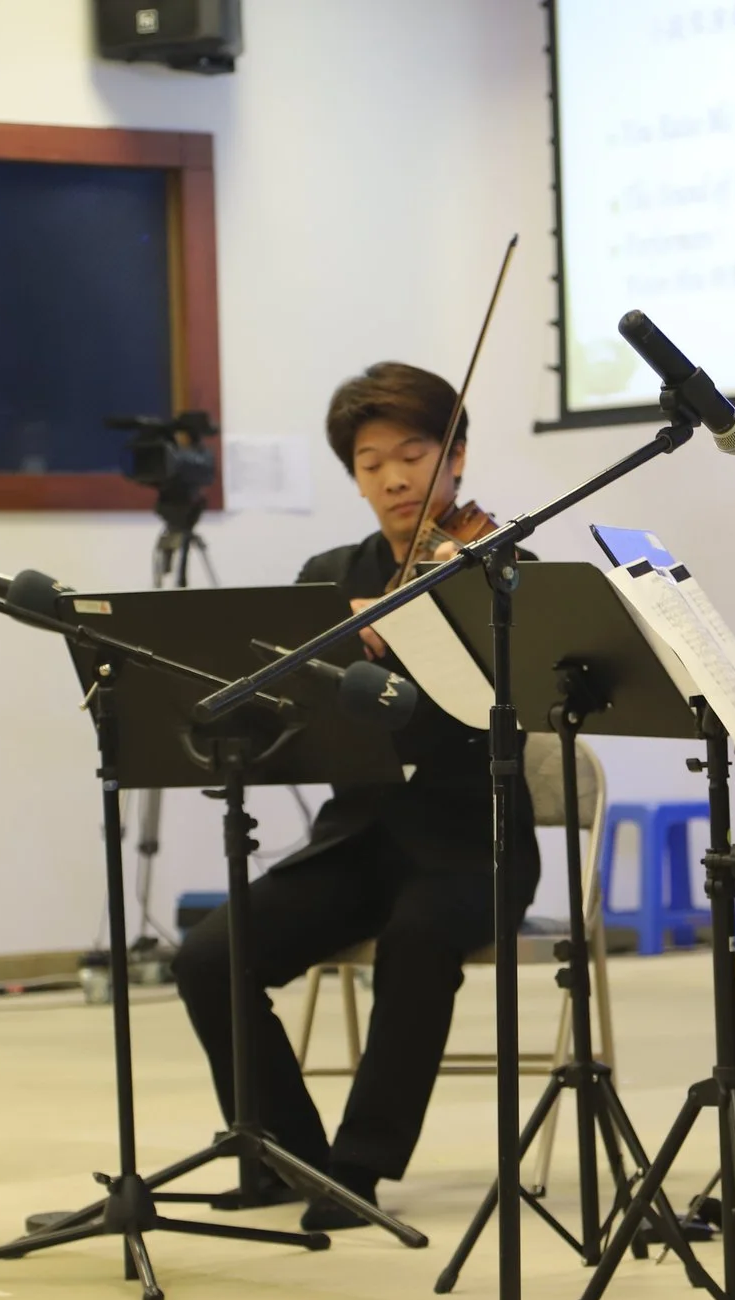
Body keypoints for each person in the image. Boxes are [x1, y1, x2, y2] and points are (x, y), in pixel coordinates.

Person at [171, 362, 538, 1233]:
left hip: (473, 840)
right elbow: (299, 719)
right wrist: (346, 645)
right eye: (371, 462)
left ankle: (359, 1169)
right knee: (208, 955)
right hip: (361, 835)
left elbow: (508, 700)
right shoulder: (331, 574)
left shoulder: (499, 565)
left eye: (415, 453)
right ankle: (285, 1160)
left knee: (417, 941)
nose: (396, 478)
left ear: (456, 458)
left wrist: (422, 619)